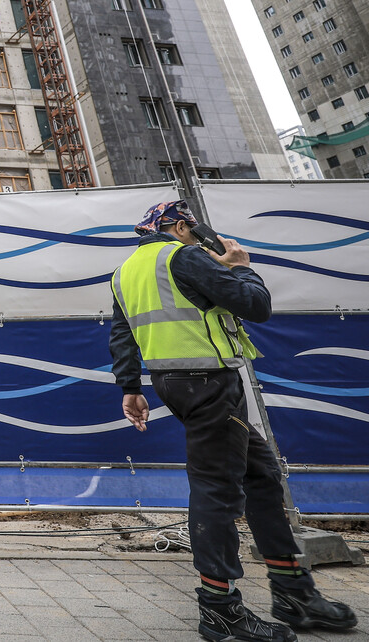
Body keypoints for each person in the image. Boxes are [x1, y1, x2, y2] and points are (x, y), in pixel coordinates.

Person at [110, 201, 358, 642]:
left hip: (176, 383)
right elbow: (255, 305)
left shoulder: (126, 270)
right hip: (208, 383)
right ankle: (219, 609)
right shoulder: (181, 256)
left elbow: (122, 332)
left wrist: (131, 387)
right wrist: (242, 266)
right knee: (217, 492)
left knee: (259, 475)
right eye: (194, 228)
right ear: (183, 226)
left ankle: (292, 591)